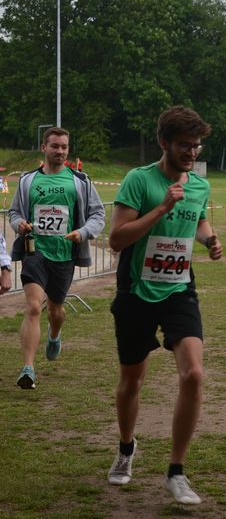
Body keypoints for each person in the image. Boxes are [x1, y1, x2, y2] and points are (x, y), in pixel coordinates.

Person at [106, 106, 222, 505]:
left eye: (196, 146)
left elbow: (199, 220)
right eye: (184, 146)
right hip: (136, 293)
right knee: (132, 382)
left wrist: (209, 239)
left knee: (193, 375)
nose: (192, 153)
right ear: (164, 143)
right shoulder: (140, 181)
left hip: (179, 290)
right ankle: (125, 449)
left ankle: (176, 471)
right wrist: (161, 209)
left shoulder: (198, 186)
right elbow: (116, 240)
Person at [8, 127, 105, 389]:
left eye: (64, 147)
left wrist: (82, 232)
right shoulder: (28, 180)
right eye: (55, 146)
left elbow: (98, 215)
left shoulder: (80, 181)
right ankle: (28, 368)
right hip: (35, 251)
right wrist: (19, 225)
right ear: (44, 148)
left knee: (55, 310)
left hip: (64, 255)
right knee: (32, 306)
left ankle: (54, 334)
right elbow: (14, 212)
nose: (60, 151)